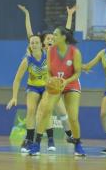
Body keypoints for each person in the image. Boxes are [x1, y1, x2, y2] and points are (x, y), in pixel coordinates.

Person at [18, 5, 75, 144]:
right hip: (39, 87)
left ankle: (70, 136)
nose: (50, 40)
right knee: (39, 113)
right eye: (48, 38)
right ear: (43, 42)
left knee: (62, 112)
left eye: (52, 38)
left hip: (53, 87)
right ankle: (35, 139)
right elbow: (29, 33)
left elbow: (66, 33)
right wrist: (27, 14)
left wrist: (70, 15)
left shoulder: (55, 50)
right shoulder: (40, 51)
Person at [28, 27, 85, 156]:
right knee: (46, 109)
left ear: (63, 37)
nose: (52, 36)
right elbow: (48, 70)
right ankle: (36, 144)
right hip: (56, 84)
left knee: (73, 117)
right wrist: (50, 79)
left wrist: (66, 81)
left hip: (71, 83)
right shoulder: (50, 51)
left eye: (55, 34)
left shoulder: (75, 52)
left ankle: (78, 144)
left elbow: (77, 73)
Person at [6, 35, 53, 152]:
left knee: (44, 110)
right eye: (32, 43)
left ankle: (49, 139)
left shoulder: (48, 57)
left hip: (47, 87)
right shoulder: (27, 60)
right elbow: (17, 79)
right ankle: (29, 140)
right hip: (33, 87)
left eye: (37, 42)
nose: (34, 45)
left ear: (41, 44)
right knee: (31, 110)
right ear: (30, 46)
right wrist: (14, 97)